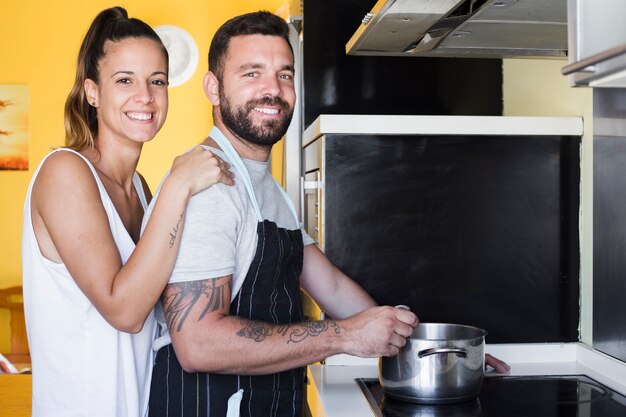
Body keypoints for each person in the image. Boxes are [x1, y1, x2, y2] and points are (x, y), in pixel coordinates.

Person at [145, 11, 508, 417]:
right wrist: (344, 336)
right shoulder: (208, 188)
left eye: (284, 74)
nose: (273, 90)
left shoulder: (268, 189)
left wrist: (441, 356)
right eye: (252, 73)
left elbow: (331, 287)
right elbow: (198, 344)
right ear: (213, 88)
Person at [21, 7, 233, 417]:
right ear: (92, 91)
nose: (146, 97)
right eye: (125, 80)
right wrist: (179, 183)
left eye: (157, 81)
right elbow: (125, 311)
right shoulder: (65, 172)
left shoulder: (140, 189)